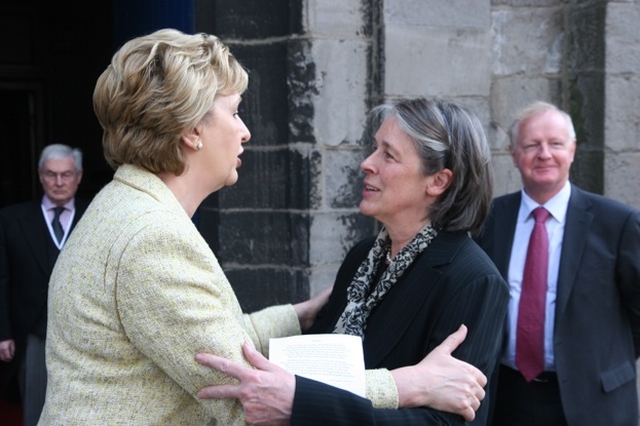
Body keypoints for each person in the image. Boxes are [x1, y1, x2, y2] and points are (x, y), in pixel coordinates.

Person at [37, 29, 487, 425]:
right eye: (234, 113)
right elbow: (249, 395)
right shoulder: (151, 238)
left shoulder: (127, 207)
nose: (245, 131)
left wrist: (302, 313)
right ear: (193, 129)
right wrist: (409, 384)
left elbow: (216, 344)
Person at [196, 97, 510, 425]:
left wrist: (304, 406)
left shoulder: (472, 280)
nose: (367, 163)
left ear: (438, 181)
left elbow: (449, 422)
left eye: (388, 155)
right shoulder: (364, 257)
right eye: (375, 148)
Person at [474, 101, 640, 425]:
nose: (544, 154)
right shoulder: (489, 220)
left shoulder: (617, 223)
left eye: (555, 144)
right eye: (532, 145)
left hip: (595, 398)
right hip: (506, 396)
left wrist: (604, 360)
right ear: (513, 153)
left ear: (573, 150)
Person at [0, 143, 89, 426]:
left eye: (67, 174)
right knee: (36, 410)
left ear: (79, 176)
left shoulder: (95, 216)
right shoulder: (11, 219)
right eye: (51, 174)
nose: (59, 182)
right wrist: (3, 333)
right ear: (40, 176)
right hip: (33, 335)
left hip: (84, 333)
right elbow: (3, 279)